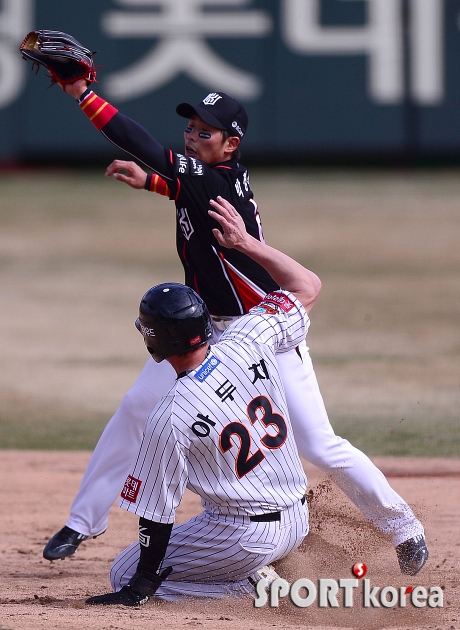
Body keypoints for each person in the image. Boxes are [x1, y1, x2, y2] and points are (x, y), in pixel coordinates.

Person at [41, 79, 427, 577]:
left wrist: (81, 92)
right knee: (138, 407)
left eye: (206, 133)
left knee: (317, 442)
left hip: (263, 330)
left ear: (231, 145)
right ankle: (82, 520)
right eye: (190, 128)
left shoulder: (208, 178)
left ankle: (403, 527)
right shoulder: (210, 177)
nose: (192, 137)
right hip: (205, 335)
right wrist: (153, 182)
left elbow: (139, 142)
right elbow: (185, 182)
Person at [85, 196, 318, 605]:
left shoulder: (172, 413)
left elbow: (156, 516)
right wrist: (247, 244)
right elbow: (307, 286)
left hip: (245, 538)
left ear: (158, 343)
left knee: (123, 570)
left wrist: (139, 586)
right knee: (210, 518)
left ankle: (248, 588)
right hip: (299, 521)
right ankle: (259, 572)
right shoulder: (249, 337)